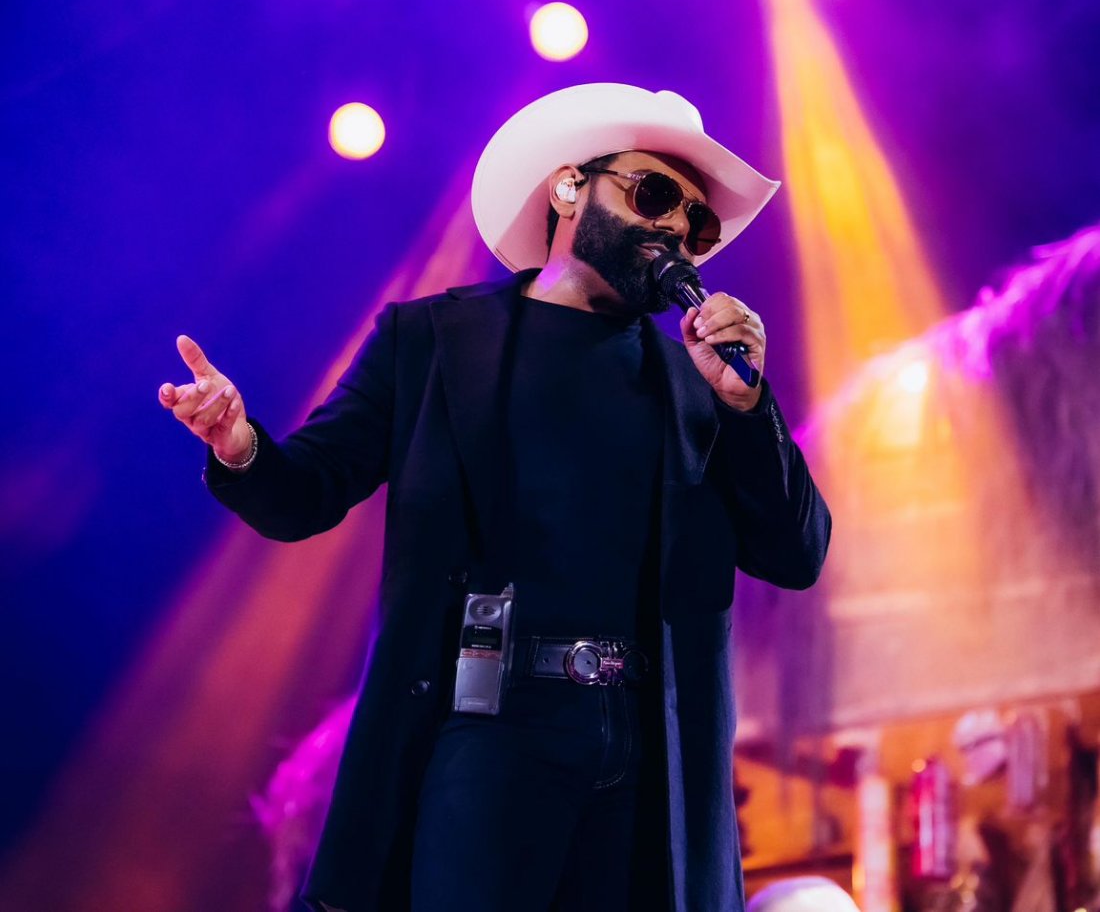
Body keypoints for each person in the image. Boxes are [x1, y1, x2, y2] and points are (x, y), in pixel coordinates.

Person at [158, 83, 831, 912]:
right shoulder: (431, 343)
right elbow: (307, 494)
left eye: (695, 224)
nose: (674, 231)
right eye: (654, 193)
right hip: (490, 723)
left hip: (650, 745)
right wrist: (241, 446)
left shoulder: (699, 385)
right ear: (569, 186)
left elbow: (797, 554)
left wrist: (749, 408)